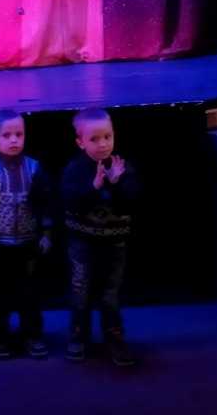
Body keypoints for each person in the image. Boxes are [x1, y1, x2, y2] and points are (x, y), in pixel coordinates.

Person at [62, 107, 140, 366]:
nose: (103, 144)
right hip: (82, 243)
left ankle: (114, 336)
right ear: (80, 142)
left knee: (110, 294)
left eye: (107, 136)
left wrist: (116, 185)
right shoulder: (75, 169)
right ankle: (78, 335)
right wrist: (94, 187)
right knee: (80, 291)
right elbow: (71, 202)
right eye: (94, 139)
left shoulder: (122, 167)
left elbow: (130, 203)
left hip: (114, 243)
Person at [0, 110, 53, 359]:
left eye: (19, 134)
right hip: (0, 245)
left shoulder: (34, 168)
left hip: (29, 243)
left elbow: (45, 203)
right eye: (7, 135)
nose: (14, 140)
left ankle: (32, 335)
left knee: (29, 293)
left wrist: (46, 232)